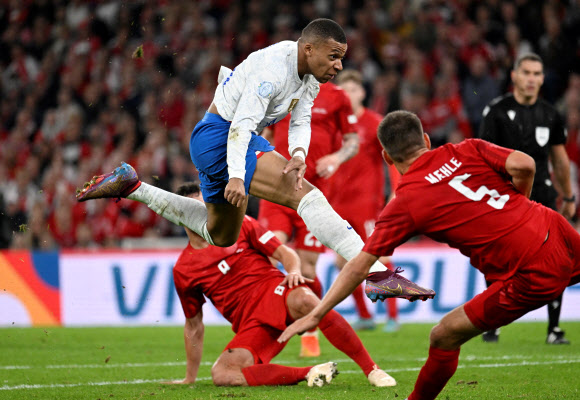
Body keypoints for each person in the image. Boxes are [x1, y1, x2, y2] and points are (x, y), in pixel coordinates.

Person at [76, 19, 434, 300]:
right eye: (334, 56)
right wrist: (235, 176)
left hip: (226, 141)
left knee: (220, 235)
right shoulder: (272, 71)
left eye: (342, 57)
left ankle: (133, 185)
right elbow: (242, 125)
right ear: (308, 49)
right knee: (306, 196)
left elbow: (301, 118)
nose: (339, 65)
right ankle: (377, 276)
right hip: (223, 137)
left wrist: (297, 154)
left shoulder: (309, 75)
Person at [279, 110, 580, 400]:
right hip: (554, 227)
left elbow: (359, 266)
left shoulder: (405, 202)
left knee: (443, 335)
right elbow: (525, 165)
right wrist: (519, 203)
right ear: (426, 139)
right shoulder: (468, 148)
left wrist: (317, 314)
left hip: (529, 270)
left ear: (387, 157)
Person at [164, 182, 396, 388]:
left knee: (305, 299)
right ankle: (310, 373)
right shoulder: (184, 269)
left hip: (275, 292)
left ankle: (372, 369)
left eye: (204, 205)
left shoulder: (240, 225)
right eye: (192, 208)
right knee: (223, 374)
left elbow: (285, 253)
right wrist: (189, 377)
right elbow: (193, 326)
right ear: (179, 215)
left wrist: (293, 270)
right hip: (251, 324)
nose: (202, 212)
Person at [478, 53, 576, 344]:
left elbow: (560, 158)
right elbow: (482, 157)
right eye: (527, 73)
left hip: (543, 196)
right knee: (497, 260)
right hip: (504, 198)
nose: (532, 79)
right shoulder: (496, 111)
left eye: (537, 74)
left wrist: (569, 196)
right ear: (514, 76)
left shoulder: (550, 114)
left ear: (543, 79)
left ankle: (554, 329)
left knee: (554, 259)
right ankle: (492, 322)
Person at [258, 80, 361, 356]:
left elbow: (353, 142)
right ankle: (263, 329)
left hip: (313, 195)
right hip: (277, 190)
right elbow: (264, 132)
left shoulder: (337, 96)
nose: (334, 66)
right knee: (267, 256)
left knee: (307, 270)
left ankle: (310, 330)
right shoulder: (282, 89)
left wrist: (337, 158)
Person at [332, 69, 400, 332]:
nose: (348, 94)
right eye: (343, 90)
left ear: (362, 93)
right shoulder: (333, 124)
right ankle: (365, 316)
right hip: (337, 204)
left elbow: (393, 160)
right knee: (342, 262)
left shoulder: (375, 123)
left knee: (380, 257)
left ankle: (393, 315)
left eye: (353, 89)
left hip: (367, 204)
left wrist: (396, 190)